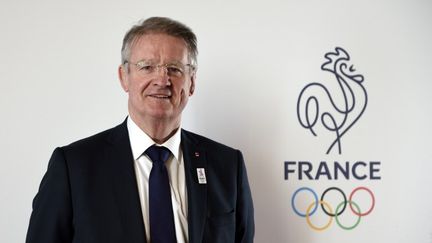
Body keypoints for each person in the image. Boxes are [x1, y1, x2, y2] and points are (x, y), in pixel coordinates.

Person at [25, 17, 254, 243]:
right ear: (124, 77)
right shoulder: (74, 167)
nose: (162, 79)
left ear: (191, 82)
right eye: (147, 67)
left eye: (174, 69)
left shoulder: (227, 166)